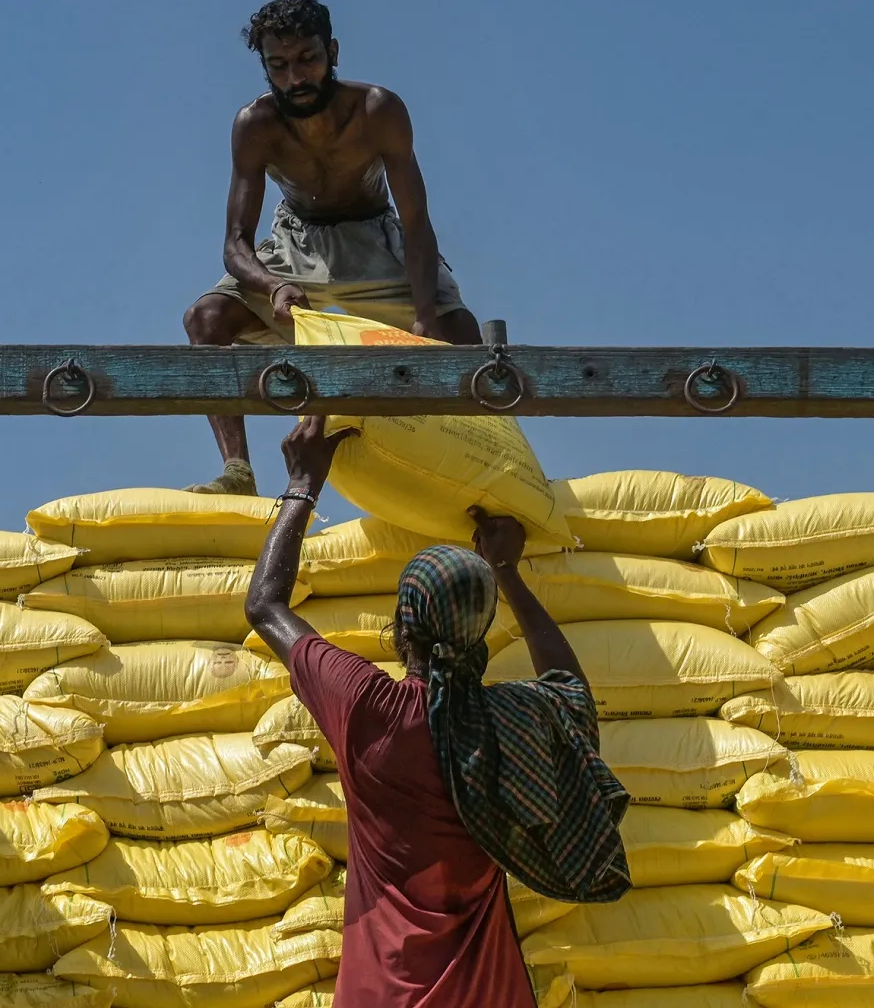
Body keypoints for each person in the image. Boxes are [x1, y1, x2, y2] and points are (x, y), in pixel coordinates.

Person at [245, 418, 631, 1008]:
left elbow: (265, 605)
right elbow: (570, 691)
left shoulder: (371, 709)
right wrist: (507, 573)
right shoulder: (511, 722)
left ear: (403, 627)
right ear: (481, 633)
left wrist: (303, 482)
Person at [182, 0, 483, 496]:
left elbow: (417, 223)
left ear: (333, 52)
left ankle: (477, 478)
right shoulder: (255, 125)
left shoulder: (377, 110)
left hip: (374, 239)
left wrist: (426, 310)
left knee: (464, 334)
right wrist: (273, 286)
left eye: (308, 59)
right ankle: (238, 473)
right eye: (278, 66)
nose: (296, 78)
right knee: (205, 319)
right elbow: (235, 244)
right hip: (296, 243)